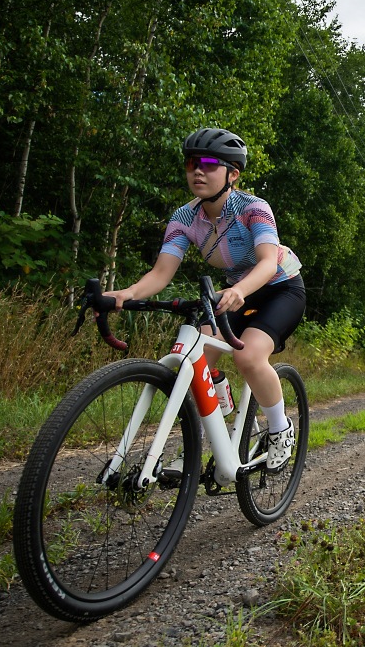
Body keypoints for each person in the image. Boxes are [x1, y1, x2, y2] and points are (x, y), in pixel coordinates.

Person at [105, 127, 306, 471]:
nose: (198, 170)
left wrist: (241, 289)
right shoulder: (184, 218)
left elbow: (267, 261)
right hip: (231, 294)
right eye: (191, 163)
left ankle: (280, 429)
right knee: (193, 356)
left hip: (278, 287)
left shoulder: (253, 208)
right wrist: (127, 293)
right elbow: (161, 273)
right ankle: (202, 438)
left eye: (211, 163)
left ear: (232, 174)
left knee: (250, 356)